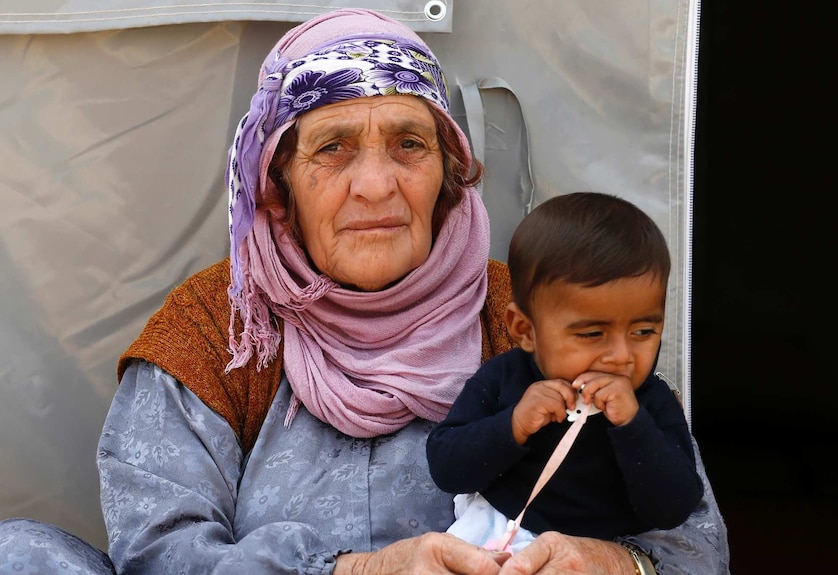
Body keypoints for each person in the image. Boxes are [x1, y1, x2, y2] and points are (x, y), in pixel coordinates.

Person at [0, 8, 729, 575]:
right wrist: (354, 569)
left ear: (448, 178)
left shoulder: (530, 318)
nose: (376, 185)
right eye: (333, 147)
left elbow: (691, 547)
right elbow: (159, 553)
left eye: (409, 145)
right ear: (278, 185)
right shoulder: (221, 323)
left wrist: (609, 560)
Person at [427, 192, 704, 554]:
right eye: (592, 334)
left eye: (643, 332)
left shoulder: (651, 401)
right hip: (502, 531)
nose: (622, 357)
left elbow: (675, 507)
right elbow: (447, 469)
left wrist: (634, 428)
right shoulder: (504, 378)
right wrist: (515, 424)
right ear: (525, 330)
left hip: (611, 550)